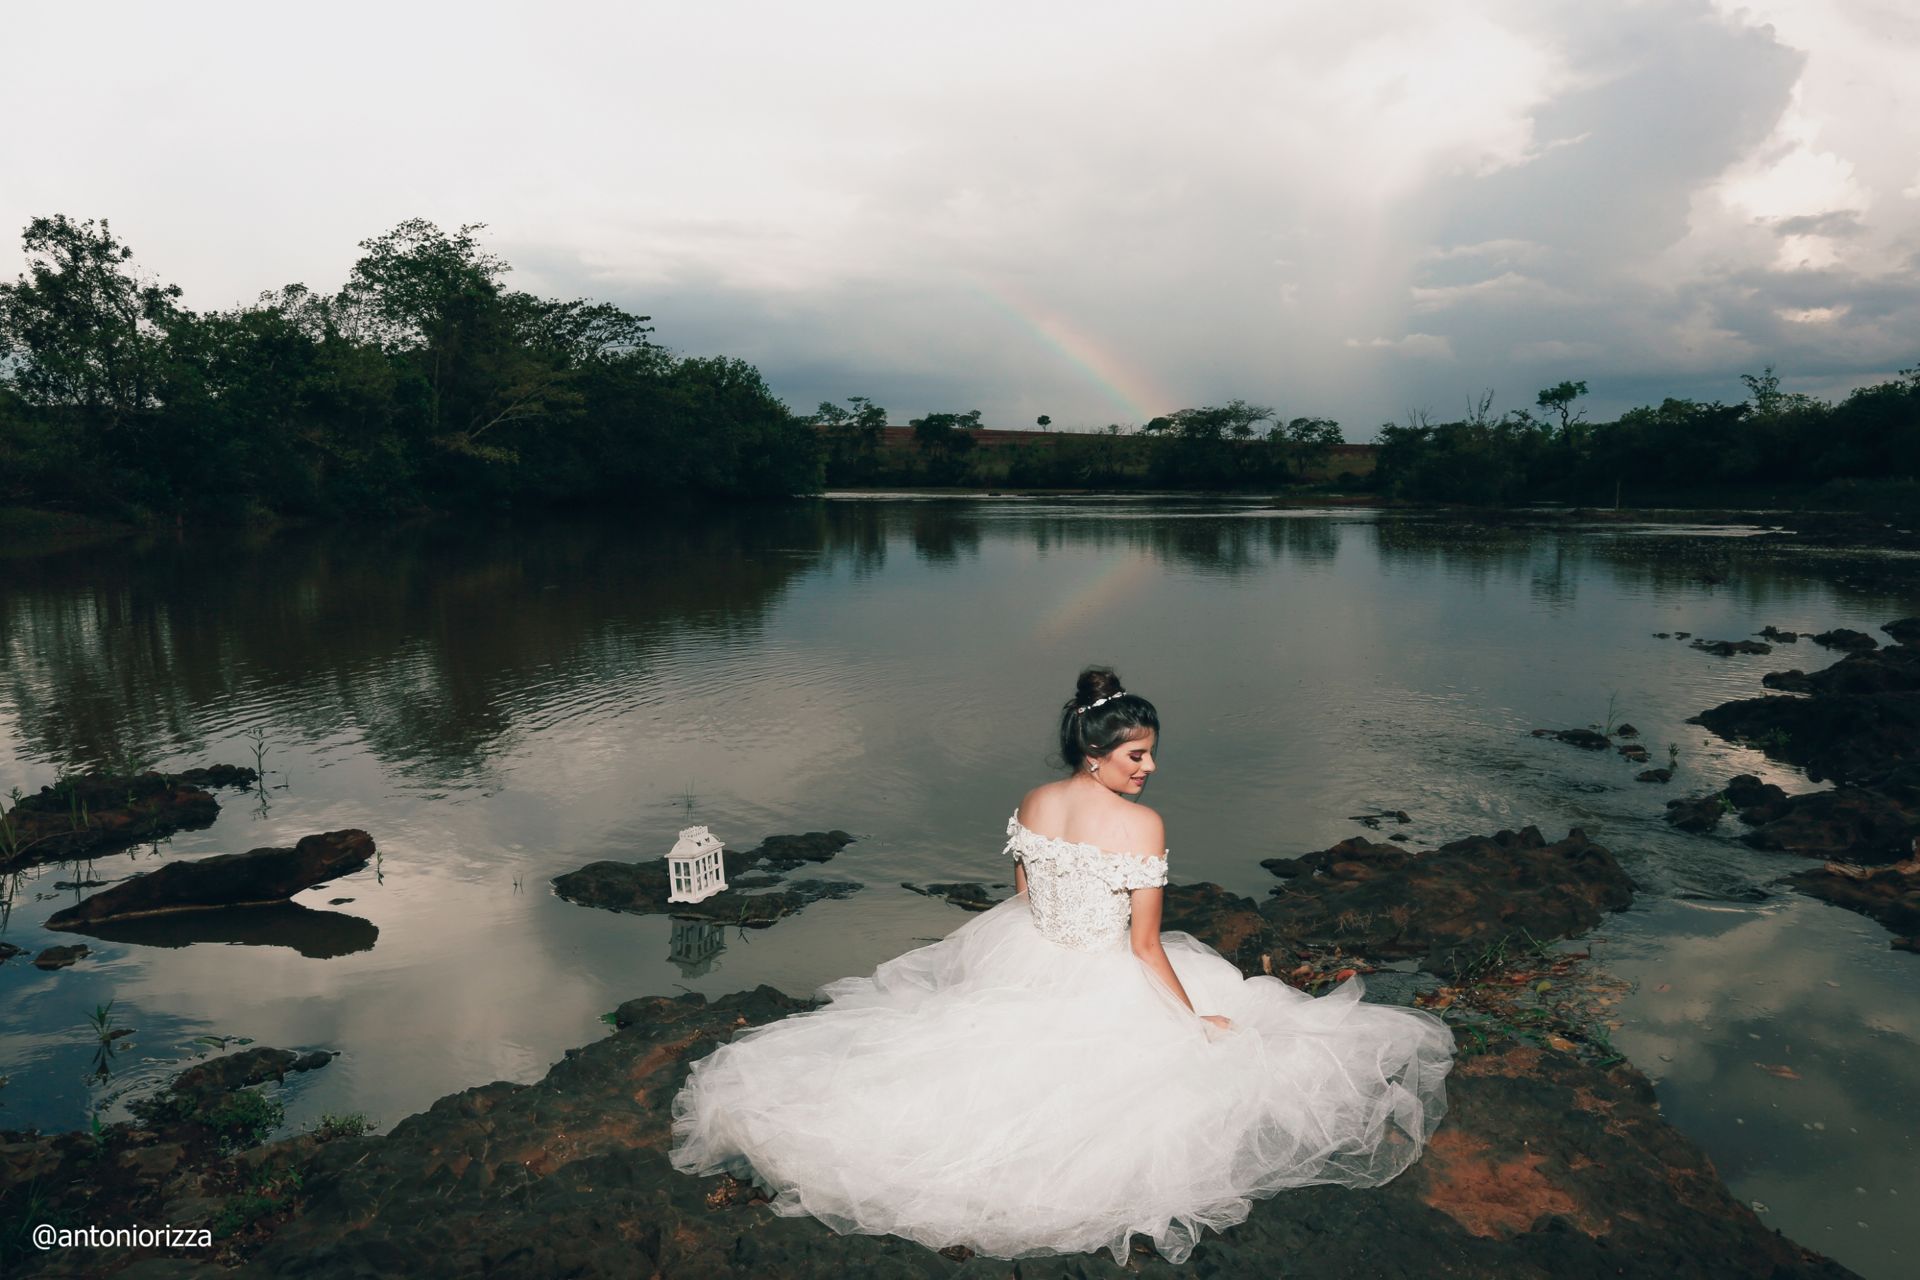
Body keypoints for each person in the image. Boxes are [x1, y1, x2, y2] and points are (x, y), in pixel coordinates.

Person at [669, 666, 1454, 1264]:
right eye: (1138, 753)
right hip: (1100, 967)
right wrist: (1190, 1023)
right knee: (1211, 1054)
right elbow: (1145, 947)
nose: (1150, 767)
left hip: (1025, 950)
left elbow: (1021, 890)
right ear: (1096, 751)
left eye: (1151, 754)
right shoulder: (1142, 826)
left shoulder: (1037, 800)